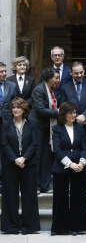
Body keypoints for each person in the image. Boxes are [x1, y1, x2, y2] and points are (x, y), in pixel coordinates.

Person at [60, 61, 86, 195]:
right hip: (73, 125)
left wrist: (85, 116)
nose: (79, 75)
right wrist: (75, 118)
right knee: (76, 154)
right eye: (76, 73)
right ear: (71, 73)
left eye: (81, 72)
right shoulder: (65, 87)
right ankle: (78, 182)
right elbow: (64, 105)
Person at [1, 97, 40, 235]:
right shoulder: (5, 124)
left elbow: (34, 143)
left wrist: (24, 158)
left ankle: (28, 226)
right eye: (13, 107)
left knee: (29, 195)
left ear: (24, 109)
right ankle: (11, 226)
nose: (15, 109)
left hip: (28, 163)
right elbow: (4, 144)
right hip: (10, 164)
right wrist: (15, 159)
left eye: (18, 107)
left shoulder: (32, 124)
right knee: (10, 195)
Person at [51, 102, 86, 236]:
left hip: (79, 167)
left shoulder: (80, 128)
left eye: (74, 112)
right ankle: (59, 228)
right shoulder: (56, 128)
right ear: (64, 114)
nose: (74, 115)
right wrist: (70, 163)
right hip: (62, 167)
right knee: (60, 197)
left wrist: (82, 163)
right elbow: (57, 150)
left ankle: (76, 227)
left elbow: (84, 148)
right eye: (71, 113)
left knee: (78, 197)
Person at [29, 67, 59, 193]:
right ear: (48, 78)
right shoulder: (39, 89)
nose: (58, 80)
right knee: (37, 155)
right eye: (56, 78)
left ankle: (45, 186)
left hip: (46, 127)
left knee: (46, 157)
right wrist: (58, 112)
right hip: (37, 126)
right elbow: (40, 110)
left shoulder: (51, 89)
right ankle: (36, 185)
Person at [0, 62, 16, 193]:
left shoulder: (12, 86)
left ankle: (4, 181)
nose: (4, 74)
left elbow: (15, 105)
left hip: (7, 124)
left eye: (5, 71)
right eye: (1, 71)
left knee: (6, 151)